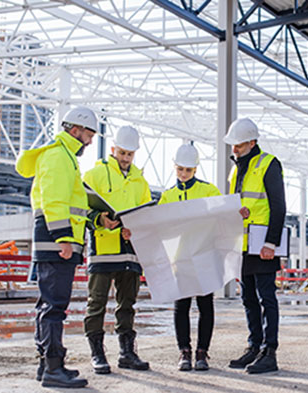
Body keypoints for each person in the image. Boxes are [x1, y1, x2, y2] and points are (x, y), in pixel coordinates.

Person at [15, 106, 97, 388]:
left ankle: (47, 365)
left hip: (57, 240)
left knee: (49, 304)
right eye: (89, 134)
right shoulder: (58, 156)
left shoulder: (63, 156)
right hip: (56, 241)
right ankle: (52, 368)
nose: (89, 140)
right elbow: (54, 200)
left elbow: (71, 203)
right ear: (76, 130)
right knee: (54, 306)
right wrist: (63, 238)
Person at [82, 125, 151, 374]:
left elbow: (145, 214)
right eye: (122, 152)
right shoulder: (95, 175)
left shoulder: (140, 181)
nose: (125, 158)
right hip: (103, 249)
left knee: (127, 304)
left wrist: (136, 228)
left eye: (130, 154)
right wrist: (99, 219)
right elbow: (80, 207)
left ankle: (127, 352)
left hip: (130, 251)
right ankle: (97, 353)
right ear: (113, 149)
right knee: (96, 302)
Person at [224, 118, 286, 374]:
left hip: (262, 244)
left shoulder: (269, 164)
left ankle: (269, 352)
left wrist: (271, 243)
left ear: (251, 142)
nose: (234, 150)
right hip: (243, 244)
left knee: (266, 298)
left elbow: (279, 205)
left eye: (238, 145)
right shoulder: (236, 169)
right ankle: (254, 347)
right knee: (249, 299)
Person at [158, 143, 222, 371]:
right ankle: (184, 351)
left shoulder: (209, 191)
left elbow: (220, 219)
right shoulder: (167, 196)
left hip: (205, 257)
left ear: (196, 169)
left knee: (205, 306)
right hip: (181, 260)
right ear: (174, 167)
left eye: (188, 170)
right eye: (180, 169)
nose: (184, 174)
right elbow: (160, 228)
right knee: (182, 306)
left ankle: (202, 352)